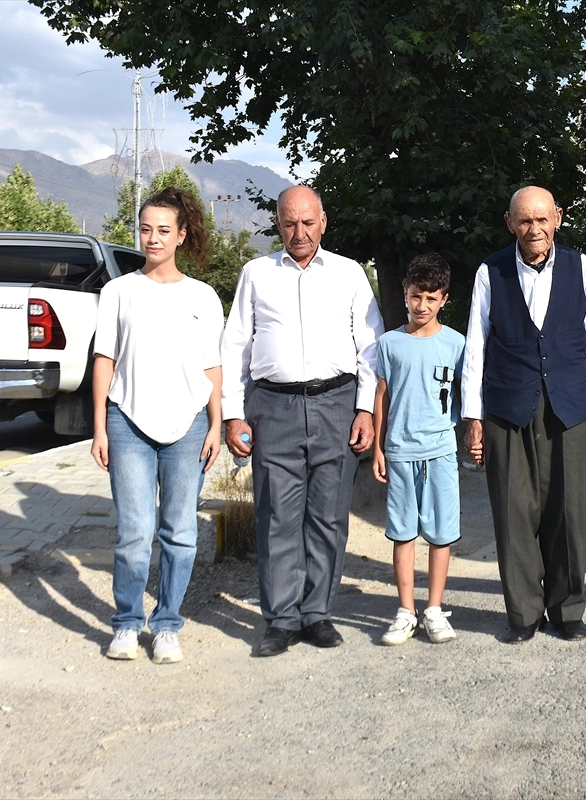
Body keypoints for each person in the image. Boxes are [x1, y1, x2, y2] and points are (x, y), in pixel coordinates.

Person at [221, 185, 384, 657]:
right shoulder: (256, 274)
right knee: (277, 516)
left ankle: (317, 613)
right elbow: (235, 345)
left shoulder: (349, 274)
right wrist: (233, 414)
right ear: (278, 224)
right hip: (273, 407)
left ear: (323, 222)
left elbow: (371, 347)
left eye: (308, 222)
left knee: (328, 516)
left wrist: (366, 409)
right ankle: (281, 619)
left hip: (337, 405)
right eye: (290, 223)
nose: (299, 232)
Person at [463, 186, 586, 644]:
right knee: (513, 510)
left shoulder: (581, 267)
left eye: (542, 219)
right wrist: (473, 417)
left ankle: (567, 610)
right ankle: (523, 613)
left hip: (571, 403)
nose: (534, 229)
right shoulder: (491, 272)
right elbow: (475, 347)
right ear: (510, 223)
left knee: (570, 510)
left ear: (557, 218)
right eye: (525, 220)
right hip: (507, 406)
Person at [91, 188, 224, 664]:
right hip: (127, 423)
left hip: (189, 427)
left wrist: (216, 423)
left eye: (164, 230)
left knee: (180, 531)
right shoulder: (118, 291)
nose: (153, 238)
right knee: (134, 531)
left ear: (181, 235)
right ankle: (127, 623)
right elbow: (104, 360)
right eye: (145, 229)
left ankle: (167, 624)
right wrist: (99, 427)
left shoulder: (203, 296)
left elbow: (212, 365)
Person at [371, 254, 466, 646]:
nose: (422, 305)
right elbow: (381, 396)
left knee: (441, 533)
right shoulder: (389, 344)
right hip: (399, 451)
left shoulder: (456, 344)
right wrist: (378, 448)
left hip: (441, 451)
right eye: (415, 296)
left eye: (431, 298)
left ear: (444, 299)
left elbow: (466, 395)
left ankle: (434, 609)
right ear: (404, 294)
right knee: (403, 532)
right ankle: (405, 610)